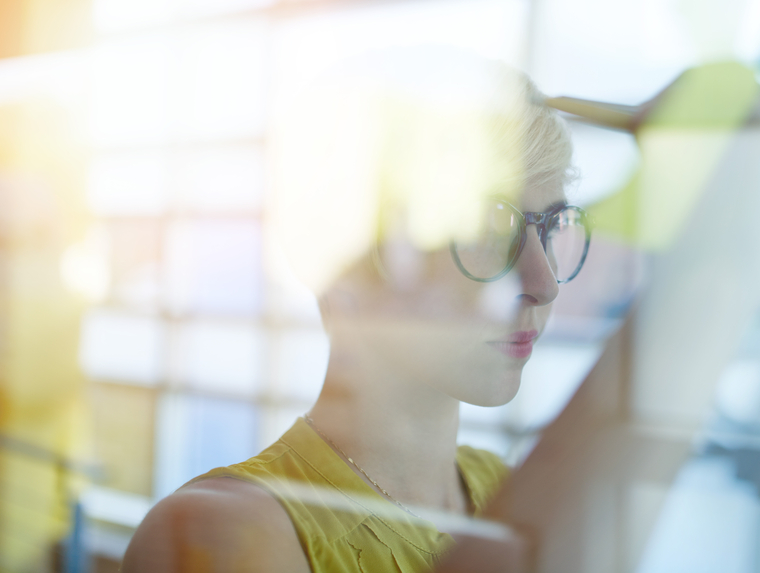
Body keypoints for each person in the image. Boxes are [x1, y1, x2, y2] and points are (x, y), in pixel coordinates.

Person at [122, 49, 589, 572]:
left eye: (551, 228)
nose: (543, 283)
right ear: (345, 259)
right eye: (485, 231)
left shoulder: (507, 491)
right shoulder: (221, 534)